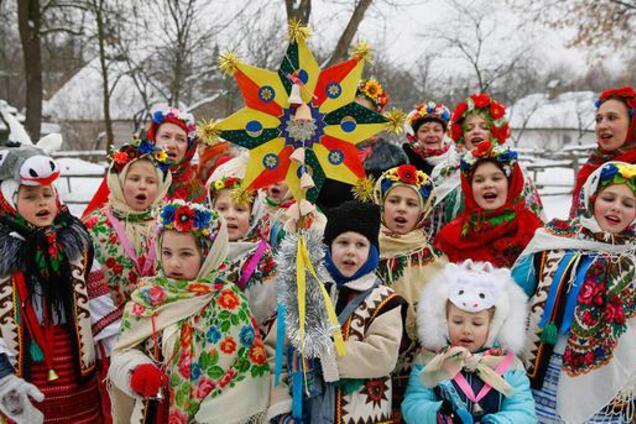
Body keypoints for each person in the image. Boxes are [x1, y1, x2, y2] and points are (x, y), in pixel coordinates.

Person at [109, 200, 270, 423]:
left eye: (185, 254)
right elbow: (122, 351)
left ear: (208, 255)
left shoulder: (227, 302)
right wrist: (134, 370)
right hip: (152, 414)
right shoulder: (148, 297)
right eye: (166, 252)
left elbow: (245, 371)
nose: (174, 263)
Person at [0, 143, 119, 423]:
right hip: (19, 380)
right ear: (8, 202)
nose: (42, 203)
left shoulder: (77, 248)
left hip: (77, 380)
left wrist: (123, 362)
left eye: (46, 194)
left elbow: (102, 315)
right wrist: (4, 381)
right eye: (30, 197)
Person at [513, 161, 636, 423]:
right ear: (591, 199)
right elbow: (512, 294)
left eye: (628, 203)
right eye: (609, 197)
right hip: (544, 368)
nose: (617, 207)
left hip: (608, 378)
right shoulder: (554, 240)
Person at [271, 200, 406, 423]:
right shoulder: (308, 294)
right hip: (308, 413)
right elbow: (277, 350)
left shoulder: (384, 300)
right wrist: (282, 409)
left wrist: (321, 352)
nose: (351, 252)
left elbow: (383, 355)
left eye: (360, 245)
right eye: (343, 242)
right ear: (329, 247)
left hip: (362, 415)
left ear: (372, 251)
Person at [402, 260, 536, 423]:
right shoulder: (430, 360)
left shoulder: (509, 366)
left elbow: (523, 411)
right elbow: (413, 404)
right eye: (458, 322)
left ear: (493, 326)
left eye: (477, 323)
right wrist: (437, 415)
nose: (466, 330)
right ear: (444, 321)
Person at [373, 164, 448, 420]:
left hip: (419, 376)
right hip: (371, 372)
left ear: (423, 211)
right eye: (394, 200)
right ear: (382, 204)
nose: (402, 208)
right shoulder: (363, 252)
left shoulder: (437, 262)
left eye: (411, 203)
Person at [429, 93, 544, 241]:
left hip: (508, 249)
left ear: (494, 132)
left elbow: (533, 216)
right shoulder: (444, 171)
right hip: (456, 248)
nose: (476, 131)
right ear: (461, 135)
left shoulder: (515, 169)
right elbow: (433, 222)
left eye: (484, 127)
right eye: (469, 128)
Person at [83, 138, 172, 310]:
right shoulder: (94, 226)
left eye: (151, 181)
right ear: (119, 182)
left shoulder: (170, 225)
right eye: (134, 178)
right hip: (110, 325)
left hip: (160, 322)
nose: (142, 186)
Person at [435, 140, 543, 269]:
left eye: (496, 178)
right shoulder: (449, 237)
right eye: (479, 180)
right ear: (469, 187)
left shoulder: (532, 231)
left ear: (511, 184)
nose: (488, 185)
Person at [206, 154, 277, 334]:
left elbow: (266, 309)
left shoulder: (264, 257)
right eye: (222, 209)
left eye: (240, 209)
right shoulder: (201, 250)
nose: (230, 215)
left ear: (253, 214)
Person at [315, 78, 407, 211]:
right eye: (350, 110)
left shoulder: (393, 157)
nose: (355, 118)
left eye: (363, 113)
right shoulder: (322, 149)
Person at [570, 86, 636, 217]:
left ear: (632, 124)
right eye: (598, 119)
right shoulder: (592, 165)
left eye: (611, 118)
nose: (602, 125)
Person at [148, 105, 207, 203]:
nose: (172, 145)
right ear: (153, 140)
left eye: (180, 139)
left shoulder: (196, 190)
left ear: (188, 148)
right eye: (166, 136)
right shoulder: (132, 175)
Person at [402, 101, 453, 176]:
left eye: (437, 130)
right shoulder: (405, 162)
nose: (431, 135)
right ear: (415, 136)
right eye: (424, 131)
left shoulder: (457, 159)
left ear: (445, 133)